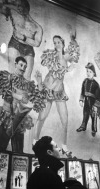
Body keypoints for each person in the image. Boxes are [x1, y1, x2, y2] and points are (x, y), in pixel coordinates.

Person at [34, 28, 80, 156]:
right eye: (54, 42)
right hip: (49, 88)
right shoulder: (51, 55)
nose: (56, 44)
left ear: (63, 43)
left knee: (65, 119)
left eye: (58, 42)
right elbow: (44, 62)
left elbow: (75, 55)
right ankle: (35, 141)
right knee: (42, 116)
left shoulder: (66, 56)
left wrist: (73, 39)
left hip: (59, 91)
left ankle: (64, 146)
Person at [0, 56, 46, 153]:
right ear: (15, 64)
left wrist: (39, 82)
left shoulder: (27, 84)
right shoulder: (8, 77)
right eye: (21, 65)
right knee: (0, 148)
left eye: (25, 66)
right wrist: (20, 97)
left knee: (18, 152)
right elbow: (6, 91)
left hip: (20, 121)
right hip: (6, 118)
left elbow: (38, 98)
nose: (23, 68)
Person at [0, 0, 43, 80]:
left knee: (26, 77)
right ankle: (12, 92)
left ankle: (23, 92)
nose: (19, 8)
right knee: (13, 73)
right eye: (17, 6)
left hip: (28, 48)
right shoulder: (13, 14)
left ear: (27, 8)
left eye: (21, 6)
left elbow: (37, 43)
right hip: (15, 44)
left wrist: (24, 38)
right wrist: (10, 4)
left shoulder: (37, 27)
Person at [76, 62, 100, 137]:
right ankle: (83, 126)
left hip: (93, 103)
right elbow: (82, 92)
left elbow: (98, 97)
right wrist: (81, 100)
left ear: (94, 73)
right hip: (86, 102)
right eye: (87, 71)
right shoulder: (85, 81)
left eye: (90, 72)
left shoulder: (96, 84)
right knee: (85, 114)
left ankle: (94, 130)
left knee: (93, 116)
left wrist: (96, 106)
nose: (88, 73)